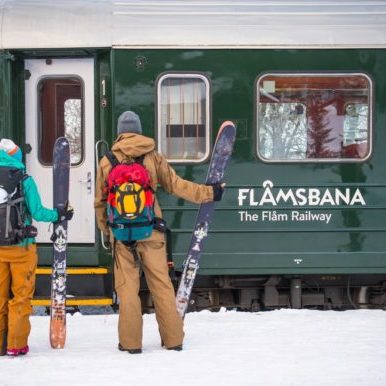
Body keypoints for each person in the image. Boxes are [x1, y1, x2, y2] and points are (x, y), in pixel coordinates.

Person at [94, 111, 224, 354]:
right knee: (162, 286)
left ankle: (131, 344)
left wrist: (107, 230)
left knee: (128, 290)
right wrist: (209, 193)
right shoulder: (152, 156)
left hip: (122, 235)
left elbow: (100, 202)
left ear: (120, 132)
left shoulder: (107, 160)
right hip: (151, 231)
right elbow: (176, 186)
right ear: (139, 129)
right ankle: (173, 340)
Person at [0, 139, 73, 357]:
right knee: (21, 297)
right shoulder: (24, 180)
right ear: (16, 157)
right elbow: (39, 212)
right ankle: (15, 344)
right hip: (22, 248)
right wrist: (59, 215)